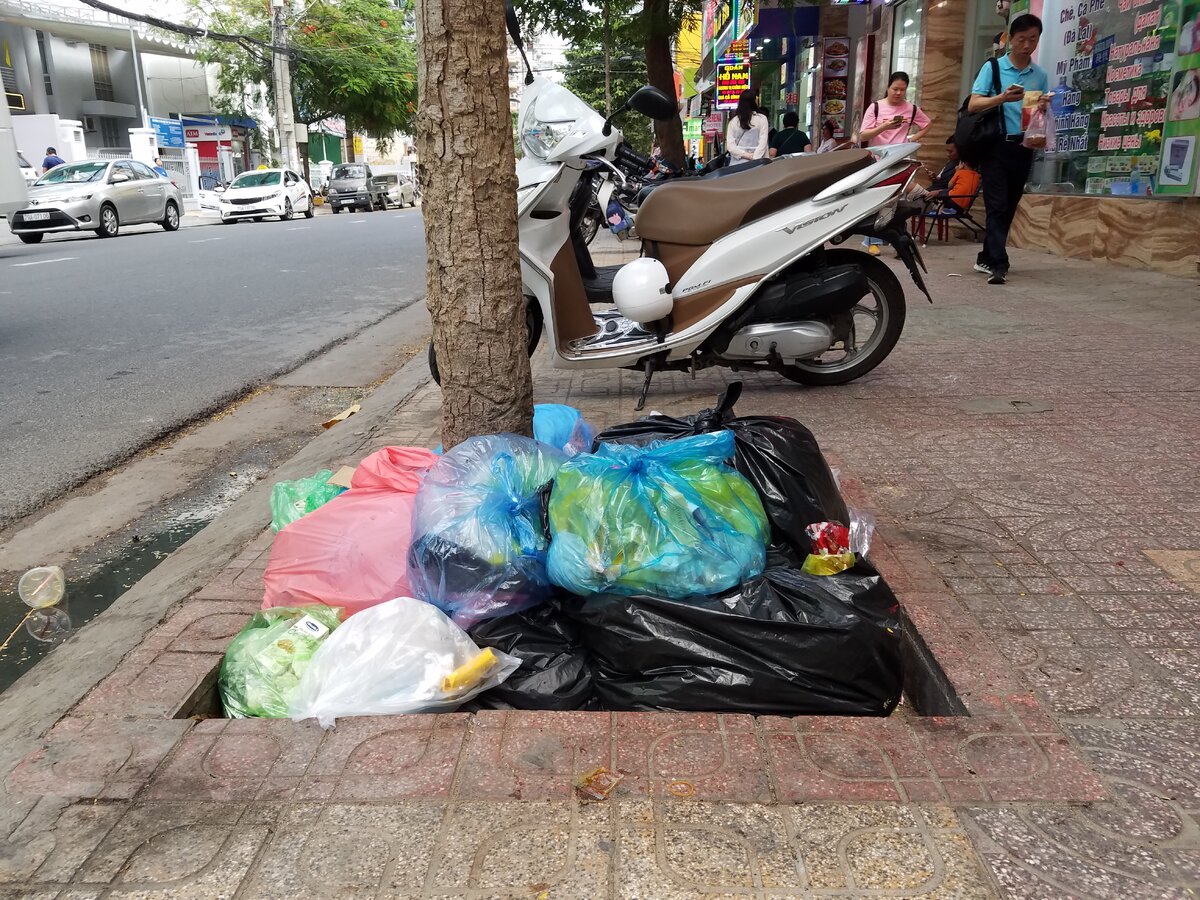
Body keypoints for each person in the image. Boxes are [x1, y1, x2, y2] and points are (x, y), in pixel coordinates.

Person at [968, 13, 1050, 285]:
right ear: (1010, 39)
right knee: (997, 205)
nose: (1027, 45)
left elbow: (1039, 112)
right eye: (1021, 39)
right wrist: (1003, 97)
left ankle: (986, 256)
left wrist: (1043, 106)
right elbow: (973, 105)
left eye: (1033, 39)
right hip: (995, 147)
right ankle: (999, 264)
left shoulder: (1039, 75)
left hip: (1024, 146)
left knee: (1010, 205)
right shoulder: (993, 68)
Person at [855, 71, 931, 253]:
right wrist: (885, 126)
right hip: (878, 161)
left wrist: (912, 138)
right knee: (878, 199)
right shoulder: (876, 108)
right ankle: (872, 241)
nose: (898, 93)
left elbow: (927, 123)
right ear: (888, 87)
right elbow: (863, 135)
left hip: (901, 159)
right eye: (895, 89)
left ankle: (899, 241)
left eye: (902, 90)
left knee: (897, 199)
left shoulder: (911, 108)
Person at [726, 90, 769, 163]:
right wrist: (755, 157)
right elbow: (763, 142)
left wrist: (746, 155)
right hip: (759, 164)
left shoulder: (733, 122)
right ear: (754, 102)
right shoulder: (762, 119)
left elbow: (730, 146)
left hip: (737, 164)